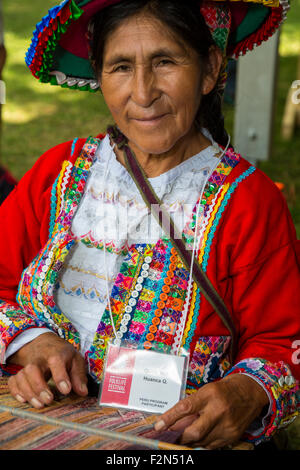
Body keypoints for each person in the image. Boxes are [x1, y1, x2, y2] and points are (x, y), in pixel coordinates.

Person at [0, 0, 299, 450]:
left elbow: (282, 341)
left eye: (164, 62)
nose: (142, 93)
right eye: (120, 66)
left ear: (210, 69)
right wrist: (31, 342)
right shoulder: (57, 173)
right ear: (99, 76)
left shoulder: (248, 201)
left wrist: (245, 391)